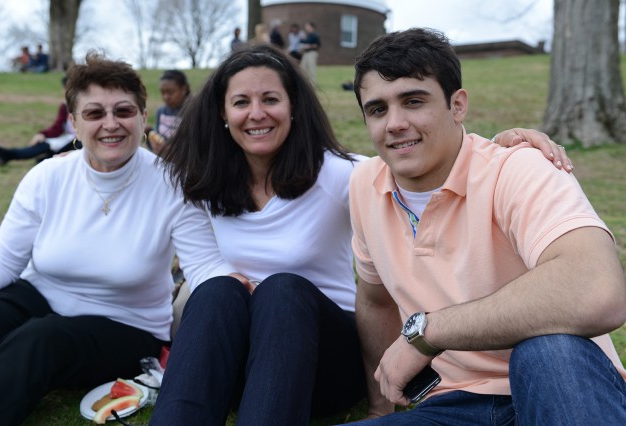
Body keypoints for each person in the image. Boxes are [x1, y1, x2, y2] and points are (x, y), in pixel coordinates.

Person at [148, 43, 571, 425]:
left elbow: (411, 165)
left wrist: (501, 147)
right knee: (216, 290)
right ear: (223, 113)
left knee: (282, 290)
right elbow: (201, 264)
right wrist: (238, 288)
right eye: (241, 102)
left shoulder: (338, 175)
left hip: (321, 354)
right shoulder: (200, 181)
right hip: (244, 350)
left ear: (293, 107)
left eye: (270, 99)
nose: (256, 113)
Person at [348, 28, 626, 424]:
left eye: (413, 101)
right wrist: (379, 409)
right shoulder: (364, 185)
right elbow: (375, 300)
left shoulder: (519, 167)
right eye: (377, 109)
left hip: (556, 389)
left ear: (457, 105)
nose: (394, 123)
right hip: (450, 406)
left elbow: (597, 289)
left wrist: (429, 332)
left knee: (545, 348)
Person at [0, 51, 224, 425]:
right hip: (40, 295)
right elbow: (2, 258)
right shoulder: (47, 177)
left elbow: (205, 268)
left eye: (124, 111)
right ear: (75, 124)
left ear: (144, 118)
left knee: (41, 339)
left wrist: (236, 285)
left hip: (126, 324)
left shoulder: (174, 185)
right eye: (95, 113)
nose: (110, 124)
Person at [0, 76, 77, 166]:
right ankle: (7, 155)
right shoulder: (65, 105)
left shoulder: (81, 106)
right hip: (68, 140)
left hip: (77, 142)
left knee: (45, 149)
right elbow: (58, 126)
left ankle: (7, 155)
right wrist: (43, 134)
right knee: (43, 146)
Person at [145, 69, 191, 155]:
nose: (166, 97)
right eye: (162, 92)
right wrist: (148, 133)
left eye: (170, 92)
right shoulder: (161, 111)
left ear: (184, 89)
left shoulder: (193, 112)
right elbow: (157, 138)